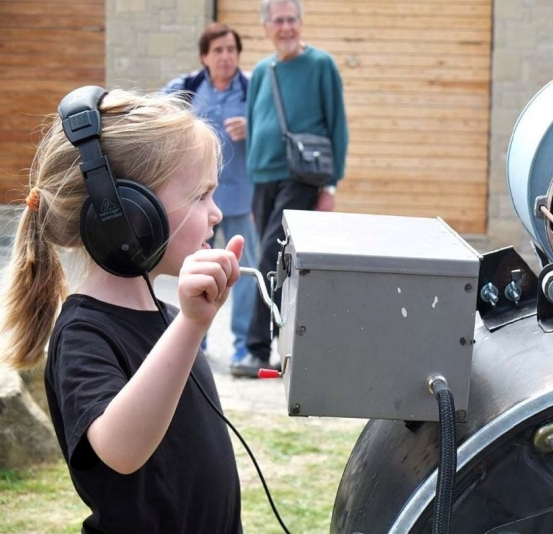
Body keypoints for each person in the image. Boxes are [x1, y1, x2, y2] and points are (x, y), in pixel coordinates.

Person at [0, 88, 243, 533]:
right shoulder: (84, 332)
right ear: (127, 212)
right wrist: (192, 326)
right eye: (200, 195)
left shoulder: (169, 318)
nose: (216, 213)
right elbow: (122, 449)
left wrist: (186, 322)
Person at [236, 0, 348, 378]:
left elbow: (337, 128)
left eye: (291, 20)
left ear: (300, 23)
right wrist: (253, 185)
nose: (285, 28)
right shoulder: (263, 72)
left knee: (269, 257)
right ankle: (284, 347)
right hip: (263, 180)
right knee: (279, 263)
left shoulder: (321, 65)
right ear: (267, 27)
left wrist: (330, 185)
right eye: (277, 21)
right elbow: (254, 126)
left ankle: (254, 350)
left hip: (300, 178)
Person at [163, 22, 259, 370]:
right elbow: (154, 122)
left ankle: (243, 347)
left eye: (231, 49)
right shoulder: (185, 88)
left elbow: (277, 129)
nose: (225, 56)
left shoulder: (253, 89)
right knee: (195, 268)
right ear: (204, 56)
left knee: (242, 269)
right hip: (195, 202)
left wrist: (253, 128)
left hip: (242, 199)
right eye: (218, 50)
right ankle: (194, 342)